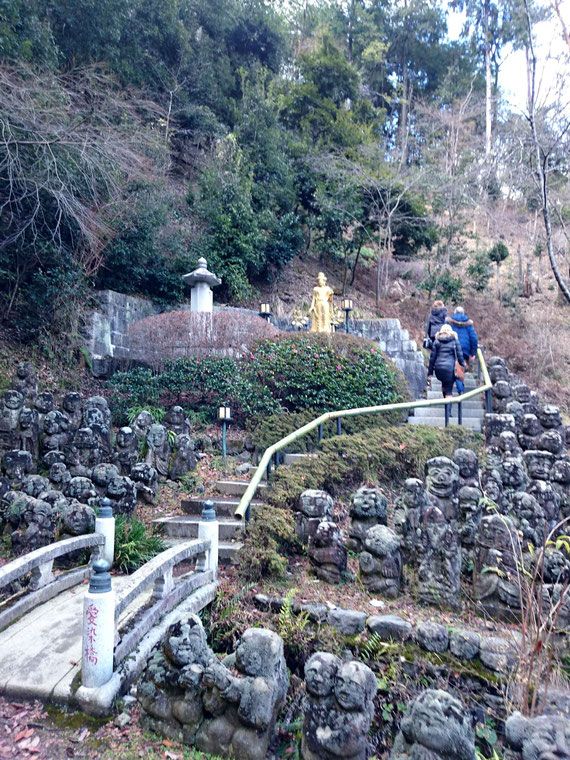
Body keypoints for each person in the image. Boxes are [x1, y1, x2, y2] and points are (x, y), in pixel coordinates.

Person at [445, 306, 478, 394]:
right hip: (463, 351)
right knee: (459, 369)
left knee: (449, 368)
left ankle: (448, 393)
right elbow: (473, 338)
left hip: (450, 348)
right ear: (463, 313)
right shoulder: (468, 324)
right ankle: (460, 390)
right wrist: (473, 352)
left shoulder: (448, 322)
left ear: (455, 313)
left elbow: (444, 334)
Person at [427, 323, 464, 398]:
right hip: (450, 369)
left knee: (444, 384)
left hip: (439, 369)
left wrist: (430, 372)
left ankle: (446, 400)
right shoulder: (455, 341)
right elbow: (460, 356)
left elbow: (432, 358)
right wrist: (462, 365)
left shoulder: (437, 342)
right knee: (449, 389)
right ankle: (448, 408)